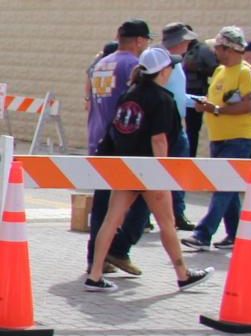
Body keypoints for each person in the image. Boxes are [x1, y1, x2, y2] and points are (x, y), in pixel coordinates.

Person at [84, 47, 210, 293]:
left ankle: (95, 275)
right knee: (167, 223)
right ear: (163, 71)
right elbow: (159, 139)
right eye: (171, 66)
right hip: (150, 169)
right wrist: (162, 172)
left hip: (126, 166)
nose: (172, 69)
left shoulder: (129, 94)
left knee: (111, 220)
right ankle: (183, 275)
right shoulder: (162, 99)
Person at [183, 27, 251, 251]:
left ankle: (203, 233)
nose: (214, 51)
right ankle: (235, 234)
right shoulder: (219, 71)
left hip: (238, 138)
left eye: (217, 48)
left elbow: (249, 105)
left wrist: (216, 109)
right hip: (218, 137)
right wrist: (204, 104)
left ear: (228, 49)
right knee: (228, 186)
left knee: (223, 187)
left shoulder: (245, 72)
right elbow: (214, 99)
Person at [85, 20, 152, 274]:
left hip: (98, 136)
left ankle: (96, 257)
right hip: (119, 141)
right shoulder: (133, 65)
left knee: (102, 204)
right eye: (147, 40)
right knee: (141, 198)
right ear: (139, 40)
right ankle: (117, 250)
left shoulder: (102, 63)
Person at [158, 24, 197, 229]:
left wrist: (195, 101)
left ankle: (176, 212)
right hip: (165, 124)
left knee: (178, 170)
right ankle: (172, 213)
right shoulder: (163, 61)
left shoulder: (175, 62)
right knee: (168, 170)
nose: (188, 43)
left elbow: (178, 95)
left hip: (174, 123)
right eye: (185, 40)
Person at [176, 24, 218, 156]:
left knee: (192, 129)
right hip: (183, 91)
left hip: (196, 93)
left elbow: (216, 70)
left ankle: (191, 156)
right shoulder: (183, 50)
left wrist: (198, 68)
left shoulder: (202, 50)